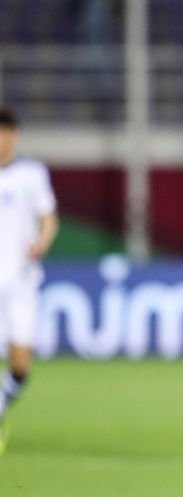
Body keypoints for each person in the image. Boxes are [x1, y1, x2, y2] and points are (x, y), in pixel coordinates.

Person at [0, 108, 59, 447]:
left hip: (20, 281)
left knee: (21, 363)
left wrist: (42, 242)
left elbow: (49, 218)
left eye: (7, 132)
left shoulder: (31, 174)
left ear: (15, 136)